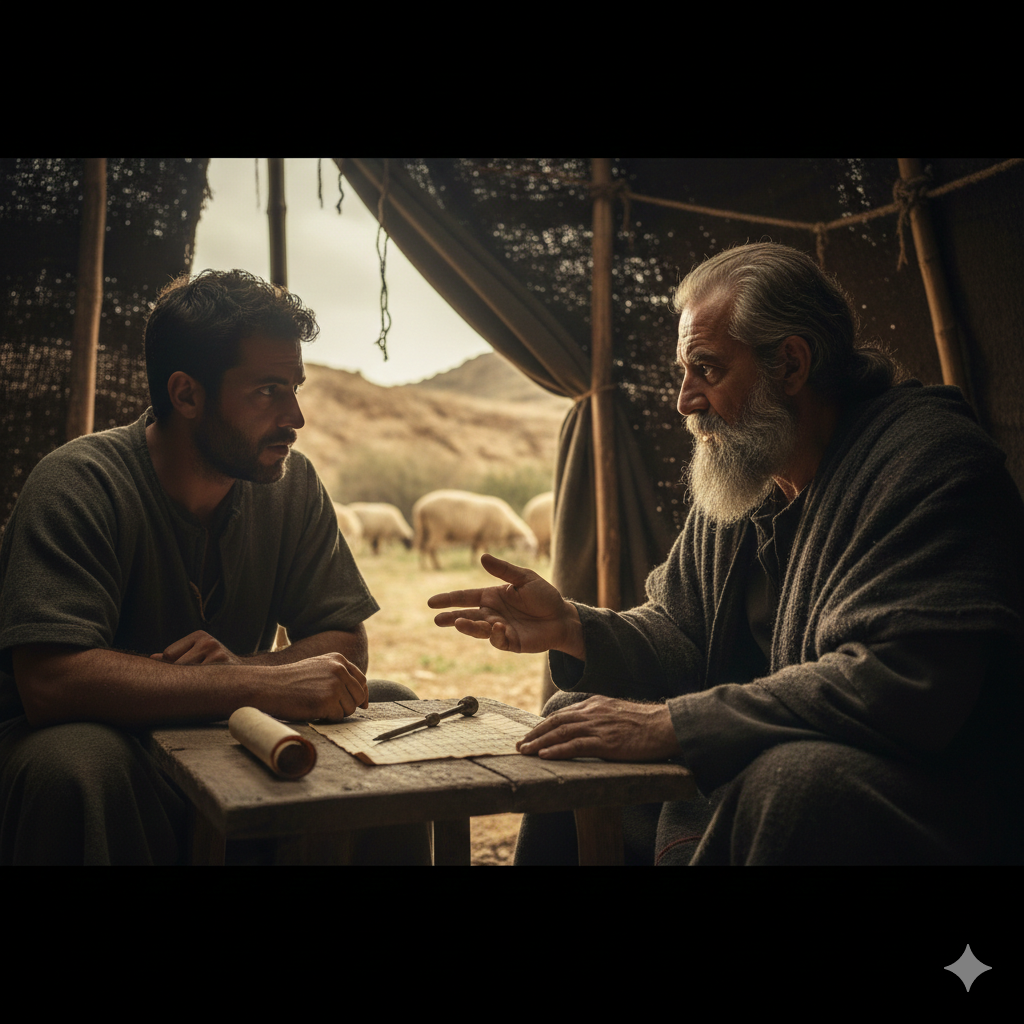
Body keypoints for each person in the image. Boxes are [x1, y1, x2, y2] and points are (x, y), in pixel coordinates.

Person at [429, 242, 1024, 865]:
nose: (684, 400)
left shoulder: (929, 465)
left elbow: (898, 683)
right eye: (683, 373)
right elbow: (682, 630)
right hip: (759, 765)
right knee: (572, 725)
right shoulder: (756, 473)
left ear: (790, 365)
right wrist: (576, 628)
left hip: (930, 799)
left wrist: (672, 726)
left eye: (707, 370)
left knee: (794, 783)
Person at [0, 269, 429, 865]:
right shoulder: (80, 483)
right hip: (110, 742)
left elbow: (343, 644)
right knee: (76, 764)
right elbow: (51, 682)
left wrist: (242, 673)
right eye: (268, 391)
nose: (295, 416)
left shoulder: (292, 486)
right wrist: (257, 685)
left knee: (387, 700)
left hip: (236, 731)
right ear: (186, 395)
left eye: (295, 388)